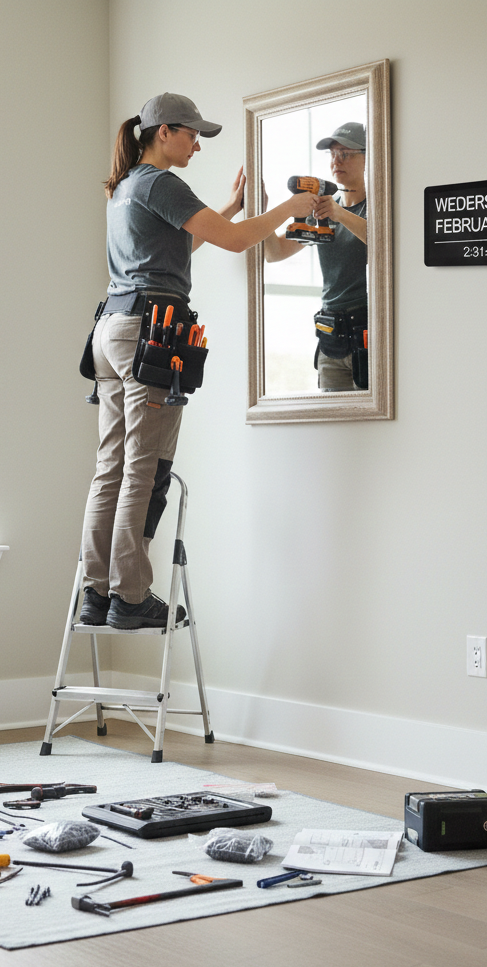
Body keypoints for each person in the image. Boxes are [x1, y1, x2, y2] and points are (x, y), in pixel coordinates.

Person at [80, 92, 320, 630]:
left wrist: (230, 209)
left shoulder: (124, 188)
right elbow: (236, 243)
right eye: (191, 134)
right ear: (163, 131)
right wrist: (287, 210)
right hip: (150, 334)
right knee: (145, 465)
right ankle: (132, 596)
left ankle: (97, 593)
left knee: (110, 467)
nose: (196, 145)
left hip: (112, 330)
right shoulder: (160, 182)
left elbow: (172, 251)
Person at [264, 122, 368, 391]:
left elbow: (383, 241)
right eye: (333, 154)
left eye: (345, 153)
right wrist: (262, 213)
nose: (336, 160)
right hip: (330, 336)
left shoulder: (377, 206)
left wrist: (339, 213)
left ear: (370, 157)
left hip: (367, 333)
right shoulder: (324, 212)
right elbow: (274, 253)